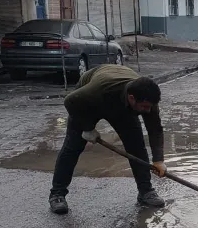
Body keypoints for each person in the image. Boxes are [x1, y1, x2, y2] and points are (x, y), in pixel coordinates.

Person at [49, 64, 167, 214]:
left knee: (136, 147)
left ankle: (146, 192)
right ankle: (57, 194)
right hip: (87, 104)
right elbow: (70, 101)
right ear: (132, 98)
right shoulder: (97, 91)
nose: (147, 111)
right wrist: (87, 128)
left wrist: (158, 160)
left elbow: (155, 130)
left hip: (120, 102)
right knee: (73, 146)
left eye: (150, 107)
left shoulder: (148, 99)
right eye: (144, 107)